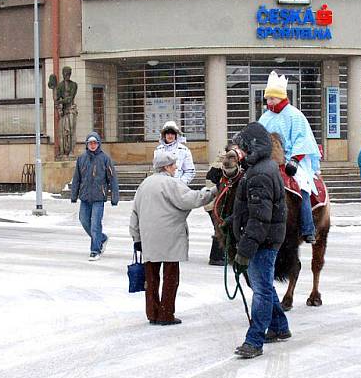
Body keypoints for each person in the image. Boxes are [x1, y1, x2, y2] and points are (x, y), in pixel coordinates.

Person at [129, 151, 215, 326]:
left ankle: (152, 313)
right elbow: (191, 199)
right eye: (173, 165)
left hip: (149, 239)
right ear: (166, 167)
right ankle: (166, 314)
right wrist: (213, 191)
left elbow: (134, 213)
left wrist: (136, 238)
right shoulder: (171, 184)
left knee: (151, 278)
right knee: (170, 276)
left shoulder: (144, 185)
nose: (176, 168)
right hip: (170, 238)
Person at [229, 123, 289, 359]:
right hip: (264, 239)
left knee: (261, 291)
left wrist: (244, 250)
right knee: (264, 285)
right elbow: (254, 210)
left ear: (252, 147)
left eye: (241, 147)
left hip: (261, 243)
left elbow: (259, 219)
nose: (238, 153)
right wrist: (233, 220)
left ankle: (254, 340)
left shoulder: (260, 174)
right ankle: (279, 327)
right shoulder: (261, 168)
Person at [258, 71, 320, 243]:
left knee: (302, 187)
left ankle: (308, 228)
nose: (269, 102)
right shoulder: (265, 117)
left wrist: (294, 159)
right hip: (268, 160)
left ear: (280, 97)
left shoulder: (295, 115)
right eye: (267, 98)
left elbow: (303, 139)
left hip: (292, 160)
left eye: (272, 98)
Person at [70, 132, 119, 261]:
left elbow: (112, 179)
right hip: (85, 196)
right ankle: (101, 238)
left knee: (95, 224)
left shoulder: (105, 159)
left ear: (98, 144)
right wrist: (74, 195)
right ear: (87, 144)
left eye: (95, 143)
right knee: (84, 220)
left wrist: (114, 197)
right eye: (90, 143)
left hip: (98, 197)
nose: (92, 145)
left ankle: (95, 250)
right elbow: (77, 178)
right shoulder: (81, 159)